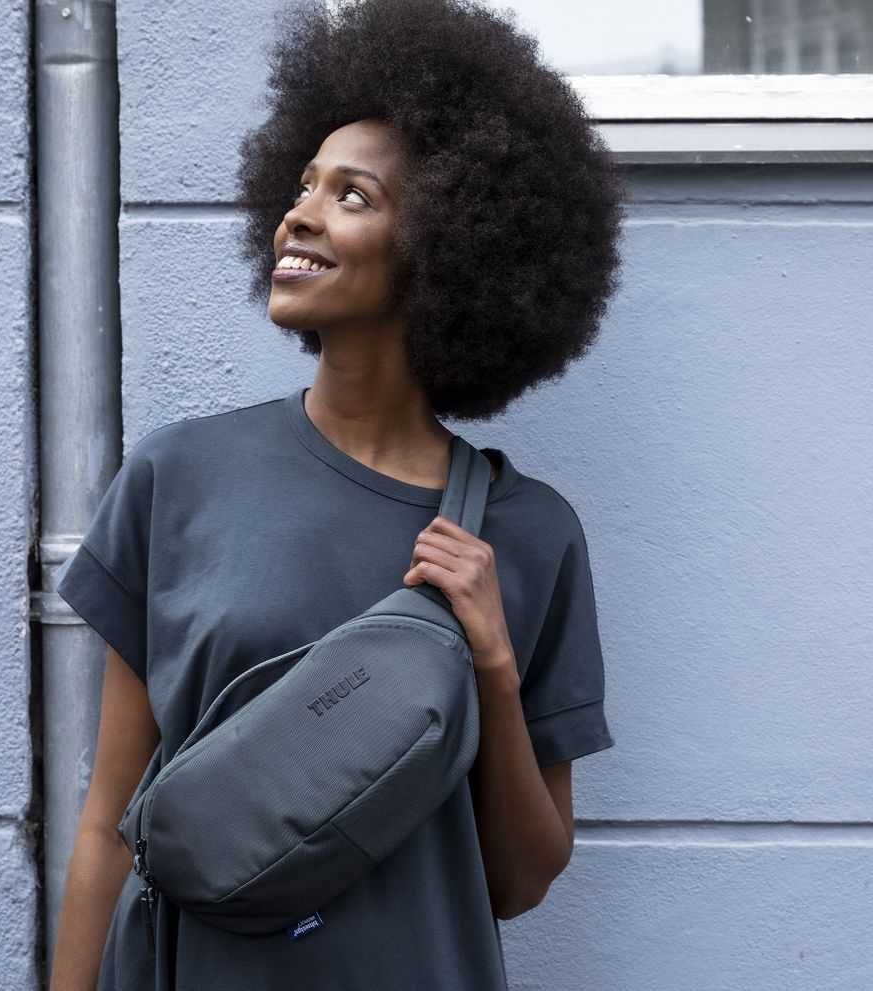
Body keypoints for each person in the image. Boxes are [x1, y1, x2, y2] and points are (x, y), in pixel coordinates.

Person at [48, 0, 626, 988]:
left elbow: (520, 878)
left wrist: (488, 661)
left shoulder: (530, 535)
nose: (299, 213)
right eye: (301, 184)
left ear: (447, 245)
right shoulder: (178, 479)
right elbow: (108, 823)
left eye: (352, 195)